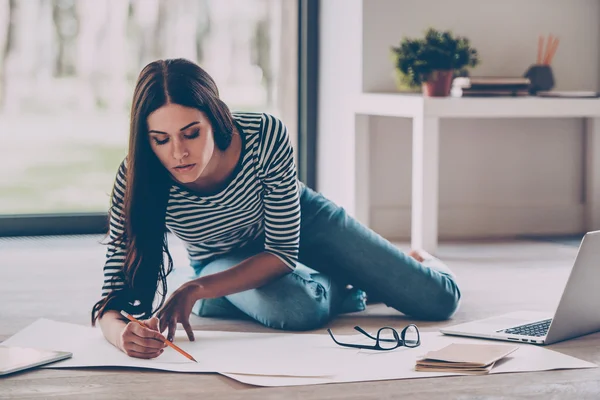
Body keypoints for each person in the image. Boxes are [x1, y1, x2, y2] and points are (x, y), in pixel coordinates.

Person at [91, 58, 461, 360]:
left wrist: (195, 289)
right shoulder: (137, 176)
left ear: (214, 117)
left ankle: (413, 260)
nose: (178, 153)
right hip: (222, 259)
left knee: (437, 300)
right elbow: (112, 294)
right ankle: (346, 283)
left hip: (304, 225)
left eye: (192, 133)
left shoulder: (264, 134)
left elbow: (282, 252)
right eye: (161, 139)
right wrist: (121, 335)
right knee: (300, 310)